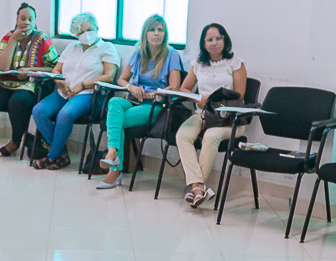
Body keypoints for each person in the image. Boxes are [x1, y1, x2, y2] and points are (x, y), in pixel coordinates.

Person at [95, 15, 185, 191]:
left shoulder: (171, 54)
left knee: (116, 121)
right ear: (145, 34)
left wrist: (152, 95)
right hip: (135, 99)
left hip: (156, 106)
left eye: (160, 30)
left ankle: (114, 167)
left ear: (165, 33)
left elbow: (175, 86)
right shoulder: (138, 52)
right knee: (114, 101)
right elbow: (121, 79)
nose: (156, 33)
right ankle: (113, 152)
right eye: (152, 30)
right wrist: (131, 87)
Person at [29, 13, 118, 170]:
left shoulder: (107, 48)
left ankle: (51, 157)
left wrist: (82, 86)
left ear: (97, 28)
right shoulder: (72, 47)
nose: (86, 35)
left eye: (89, 29)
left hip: (88, 94)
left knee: (65, 114)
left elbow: (109, 76)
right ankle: (62, 154)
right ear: (76, 34)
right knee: (38, 111)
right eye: (81, 32)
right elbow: (57, 69)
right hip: (65, 92)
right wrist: (61, 83)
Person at [174, 23, 249, 209]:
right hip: (203, 113)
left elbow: (240, 95)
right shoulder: (198, 64)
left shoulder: (236, 63)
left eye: (218, 38)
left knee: (211, 136)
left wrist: (215, 99)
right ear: (204, 43)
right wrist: (198, 100)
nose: (214, 42)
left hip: (229, 118)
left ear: (225, 40)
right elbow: (184, 88)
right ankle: (198, 188)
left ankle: (196, 189)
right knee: (182, 136)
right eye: (210, 39)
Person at [0, 4, 56, 157]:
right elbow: (0, 67)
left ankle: (15, 141)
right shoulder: (8, 36)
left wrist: (28, 71)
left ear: (35, 21)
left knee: (18, 101)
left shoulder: (42, 38)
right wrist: (13, 40)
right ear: (17, 20)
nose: (26, 22)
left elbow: (54, 68)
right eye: (23, 18)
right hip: (5, 83)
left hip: (31, 85)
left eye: (30, 19)